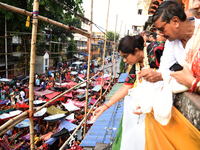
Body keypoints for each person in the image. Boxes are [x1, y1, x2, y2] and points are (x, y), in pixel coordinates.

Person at [138, 1, 200, 149]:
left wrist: (192, 82)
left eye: (161, 29)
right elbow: (165, 71)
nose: (160, 34)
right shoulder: (172, 42)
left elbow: (167, 75)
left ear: (175, 21)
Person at [92, 34, 164, 150]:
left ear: (136, 51)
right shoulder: (135, 65)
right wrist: (104, 107)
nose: (125, 61)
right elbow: (125, 88)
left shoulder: (157, 50)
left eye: (125, 57)